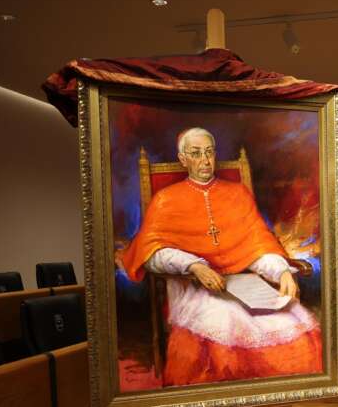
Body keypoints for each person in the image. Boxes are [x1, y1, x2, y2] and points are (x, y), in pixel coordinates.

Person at [120, 127, 322, 386]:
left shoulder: (237, 195)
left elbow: (256, 245)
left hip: (245, 284)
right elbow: (152, 252)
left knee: (287, 318)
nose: (204, 160)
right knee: (225, 319)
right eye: (196, 154)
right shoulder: (165, 200)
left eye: (208, 152)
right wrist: (194, 266)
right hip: (193, 287)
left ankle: (270, 399)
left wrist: (281, 271)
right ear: (183, 160)